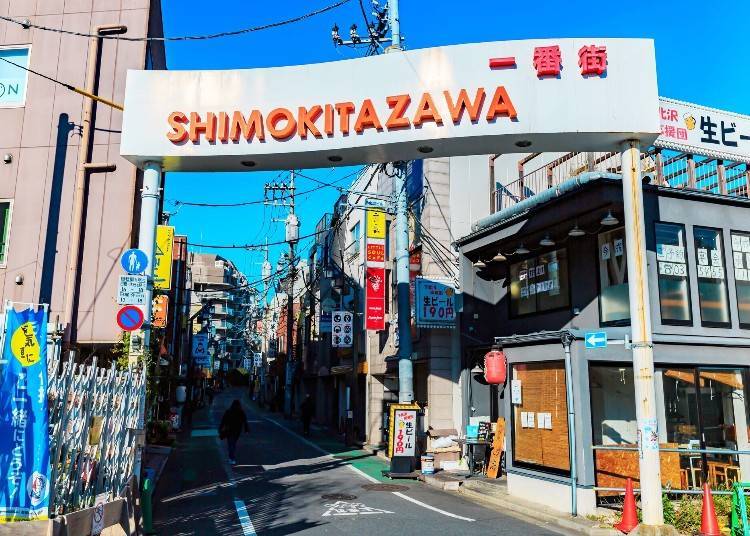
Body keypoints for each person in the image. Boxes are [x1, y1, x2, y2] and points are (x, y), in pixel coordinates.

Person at [219, 400, 249, 465]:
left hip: (229, 430)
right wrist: (246, 429)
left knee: (230, 444)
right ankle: (231, 458)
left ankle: (231, 458)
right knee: (233, 444)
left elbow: (223, 420)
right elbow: (245, 421)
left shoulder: (228, 411)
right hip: (237, 430)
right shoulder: (241, 412)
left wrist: (220, 428)